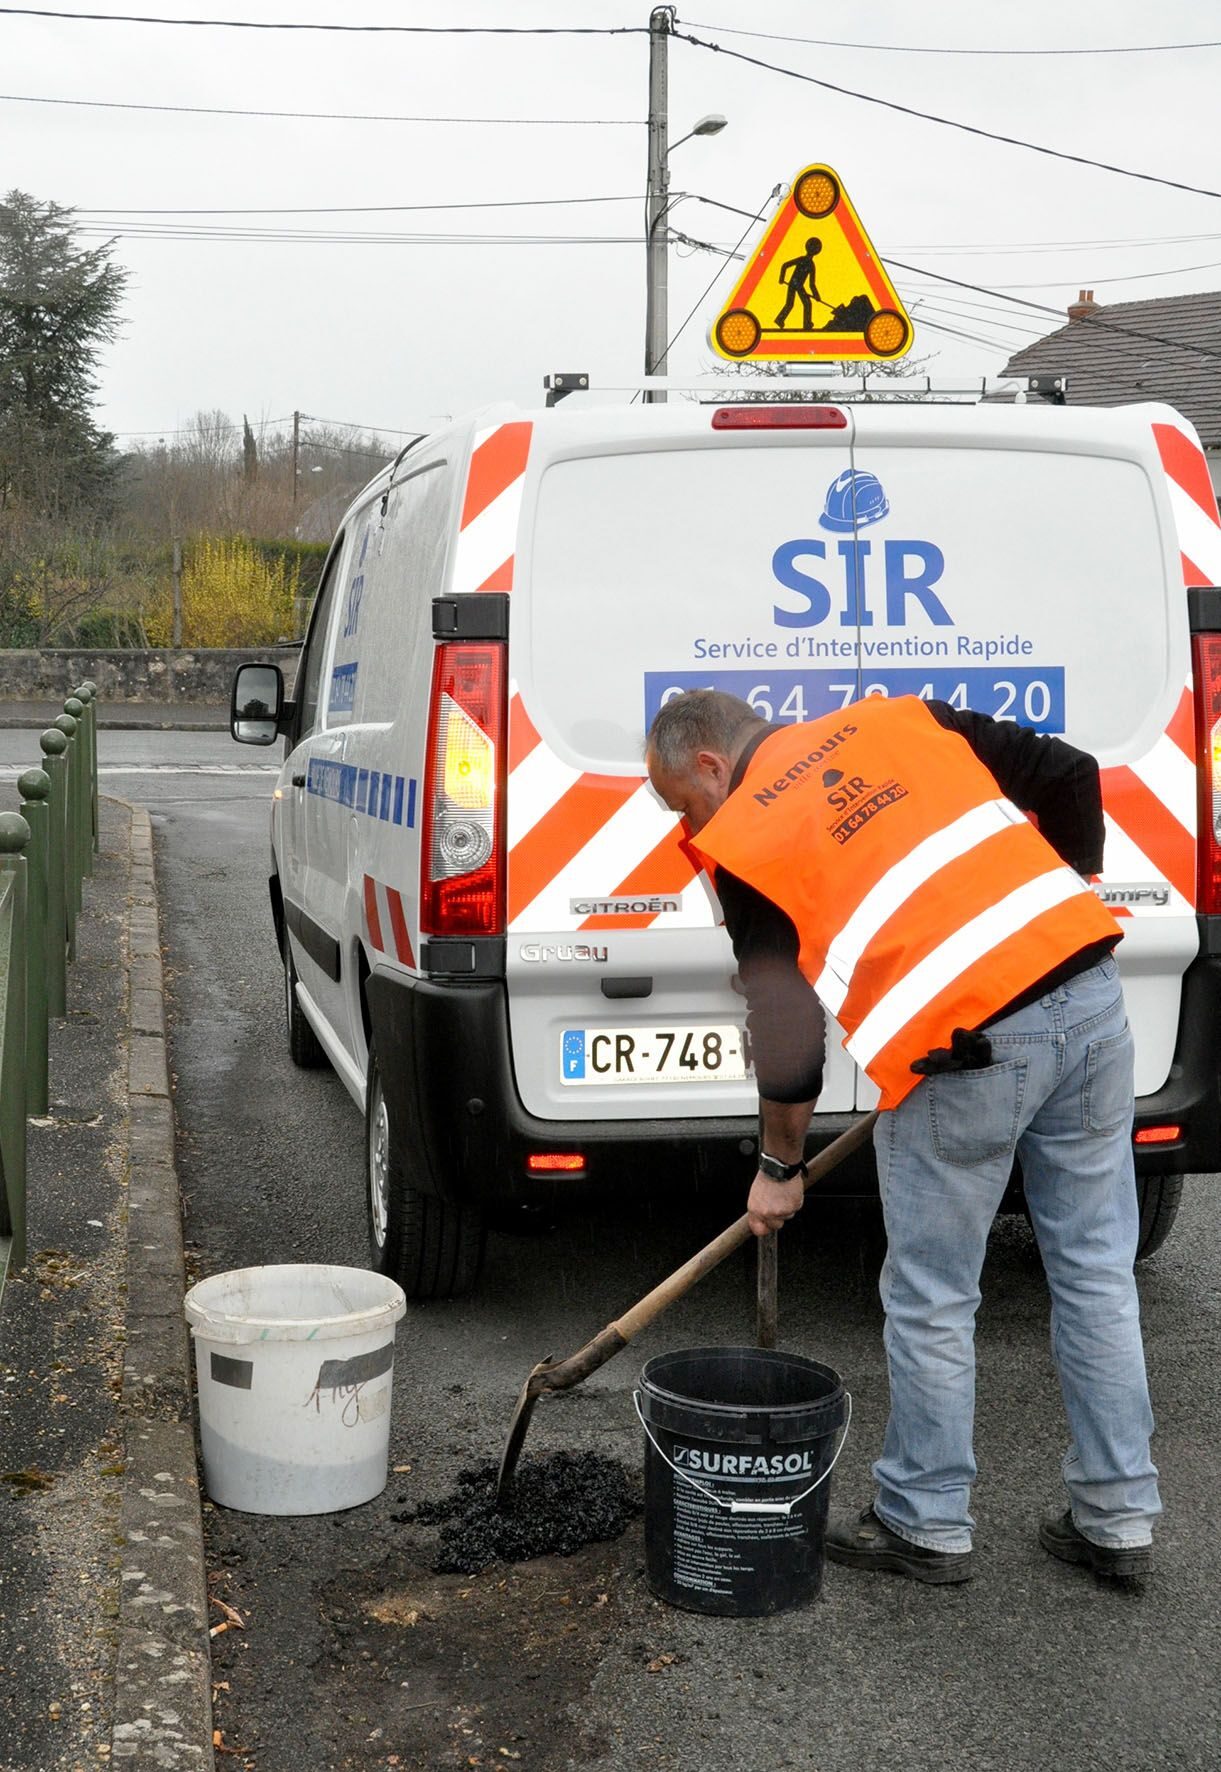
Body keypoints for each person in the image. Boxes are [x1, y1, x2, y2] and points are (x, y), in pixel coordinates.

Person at [645, 688, 1161, 1590]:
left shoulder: (750, 836)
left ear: (710, 765)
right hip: (1088, 995)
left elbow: (783, 1024)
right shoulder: (900, 719)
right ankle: (1117, 1519)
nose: (693, 830)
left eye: (684, 807)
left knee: (931, 1293)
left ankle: (925, 1521)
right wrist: (1058, 902)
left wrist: (778, 1166)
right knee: (1093, 1271)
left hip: (964, 1051)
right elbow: (1071, 772)